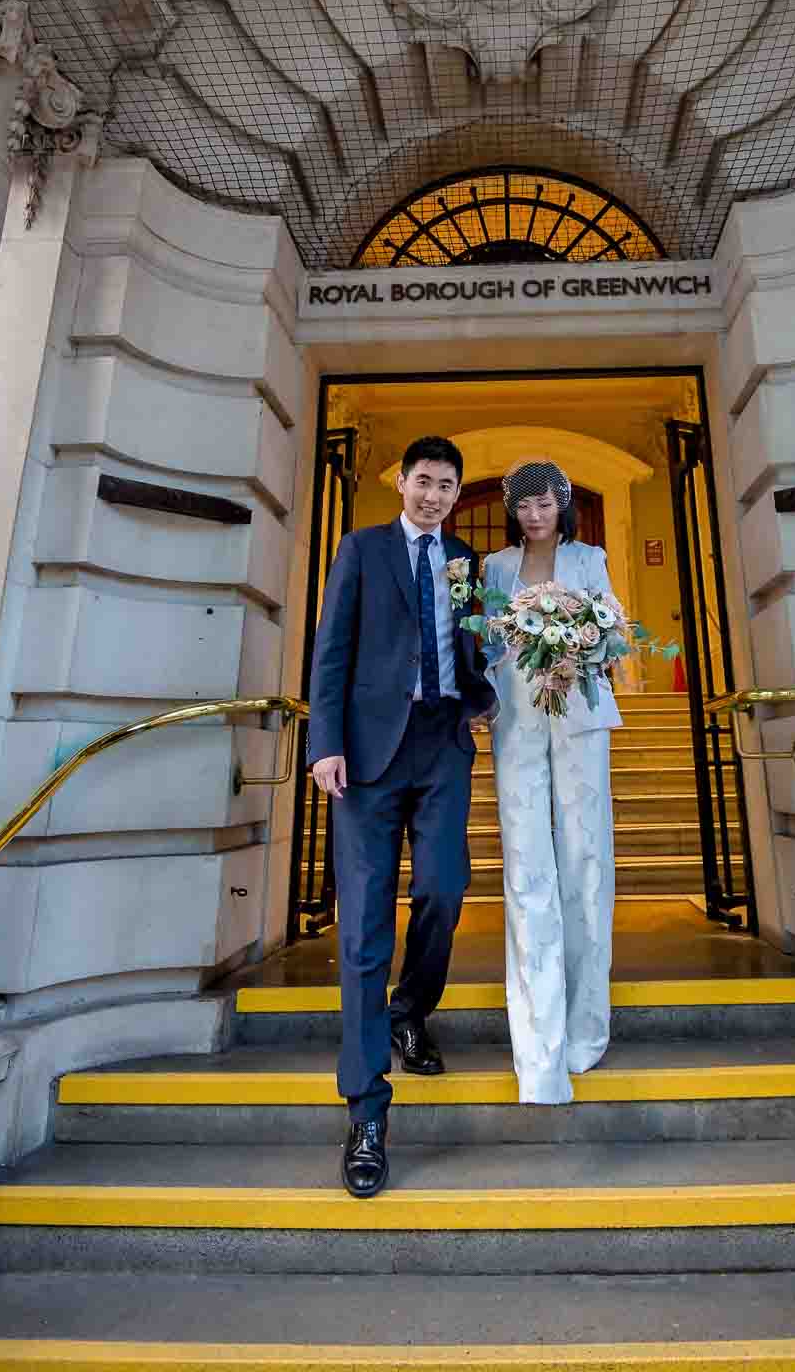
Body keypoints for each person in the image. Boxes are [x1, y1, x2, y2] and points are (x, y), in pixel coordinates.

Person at [308, 436, 495, 1197]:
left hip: (443, 744)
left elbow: (477, 651)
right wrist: (324, 744)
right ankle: (366, 1111)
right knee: (361, 933)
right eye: (425, 481)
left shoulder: (466, 563)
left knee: (445, 888)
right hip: (367, 757)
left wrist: (487, 697)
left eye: (448, 485)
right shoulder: (360, 550)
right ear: (402, 482)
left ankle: (411, 1009)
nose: (436, 495)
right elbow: (331, 653)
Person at [482, 459, 622, 1104]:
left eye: (545, 503)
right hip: (515, 721)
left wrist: (580, 643)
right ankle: (538, 1041)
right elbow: (484, 645)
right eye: (524, 505)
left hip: (581, 716)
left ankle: (586, 1027)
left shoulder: (590, 558)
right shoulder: (495, 569)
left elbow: (614, 634)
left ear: (562, 504)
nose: (534, 515)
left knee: (587, 861)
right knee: (527, 868)